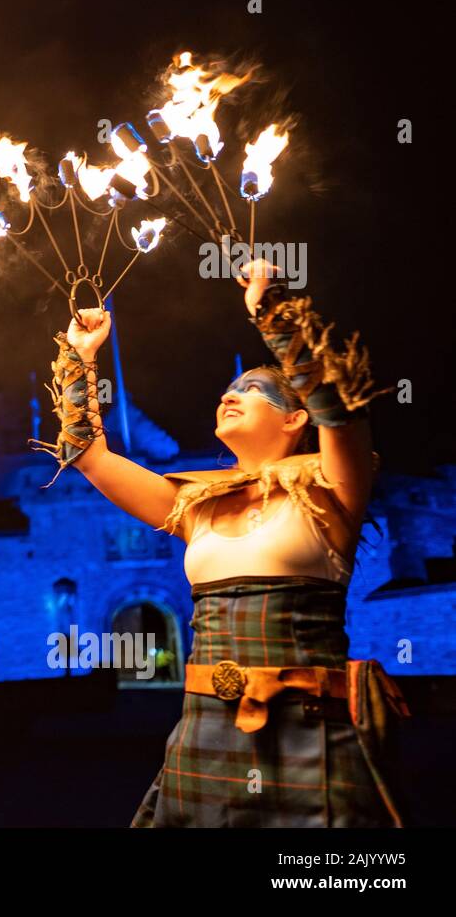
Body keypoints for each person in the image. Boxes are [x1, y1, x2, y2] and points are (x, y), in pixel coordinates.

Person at [35, 262, 407, 827]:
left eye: (252, 390)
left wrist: (273, 316)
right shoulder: (193, 506)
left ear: (296, 417)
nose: (230, 397)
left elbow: (340, 408)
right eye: (228, 391)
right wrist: (83, 354)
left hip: (307, 727)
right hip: (204, 727)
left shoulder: (333, 494)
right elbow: (88, 455)